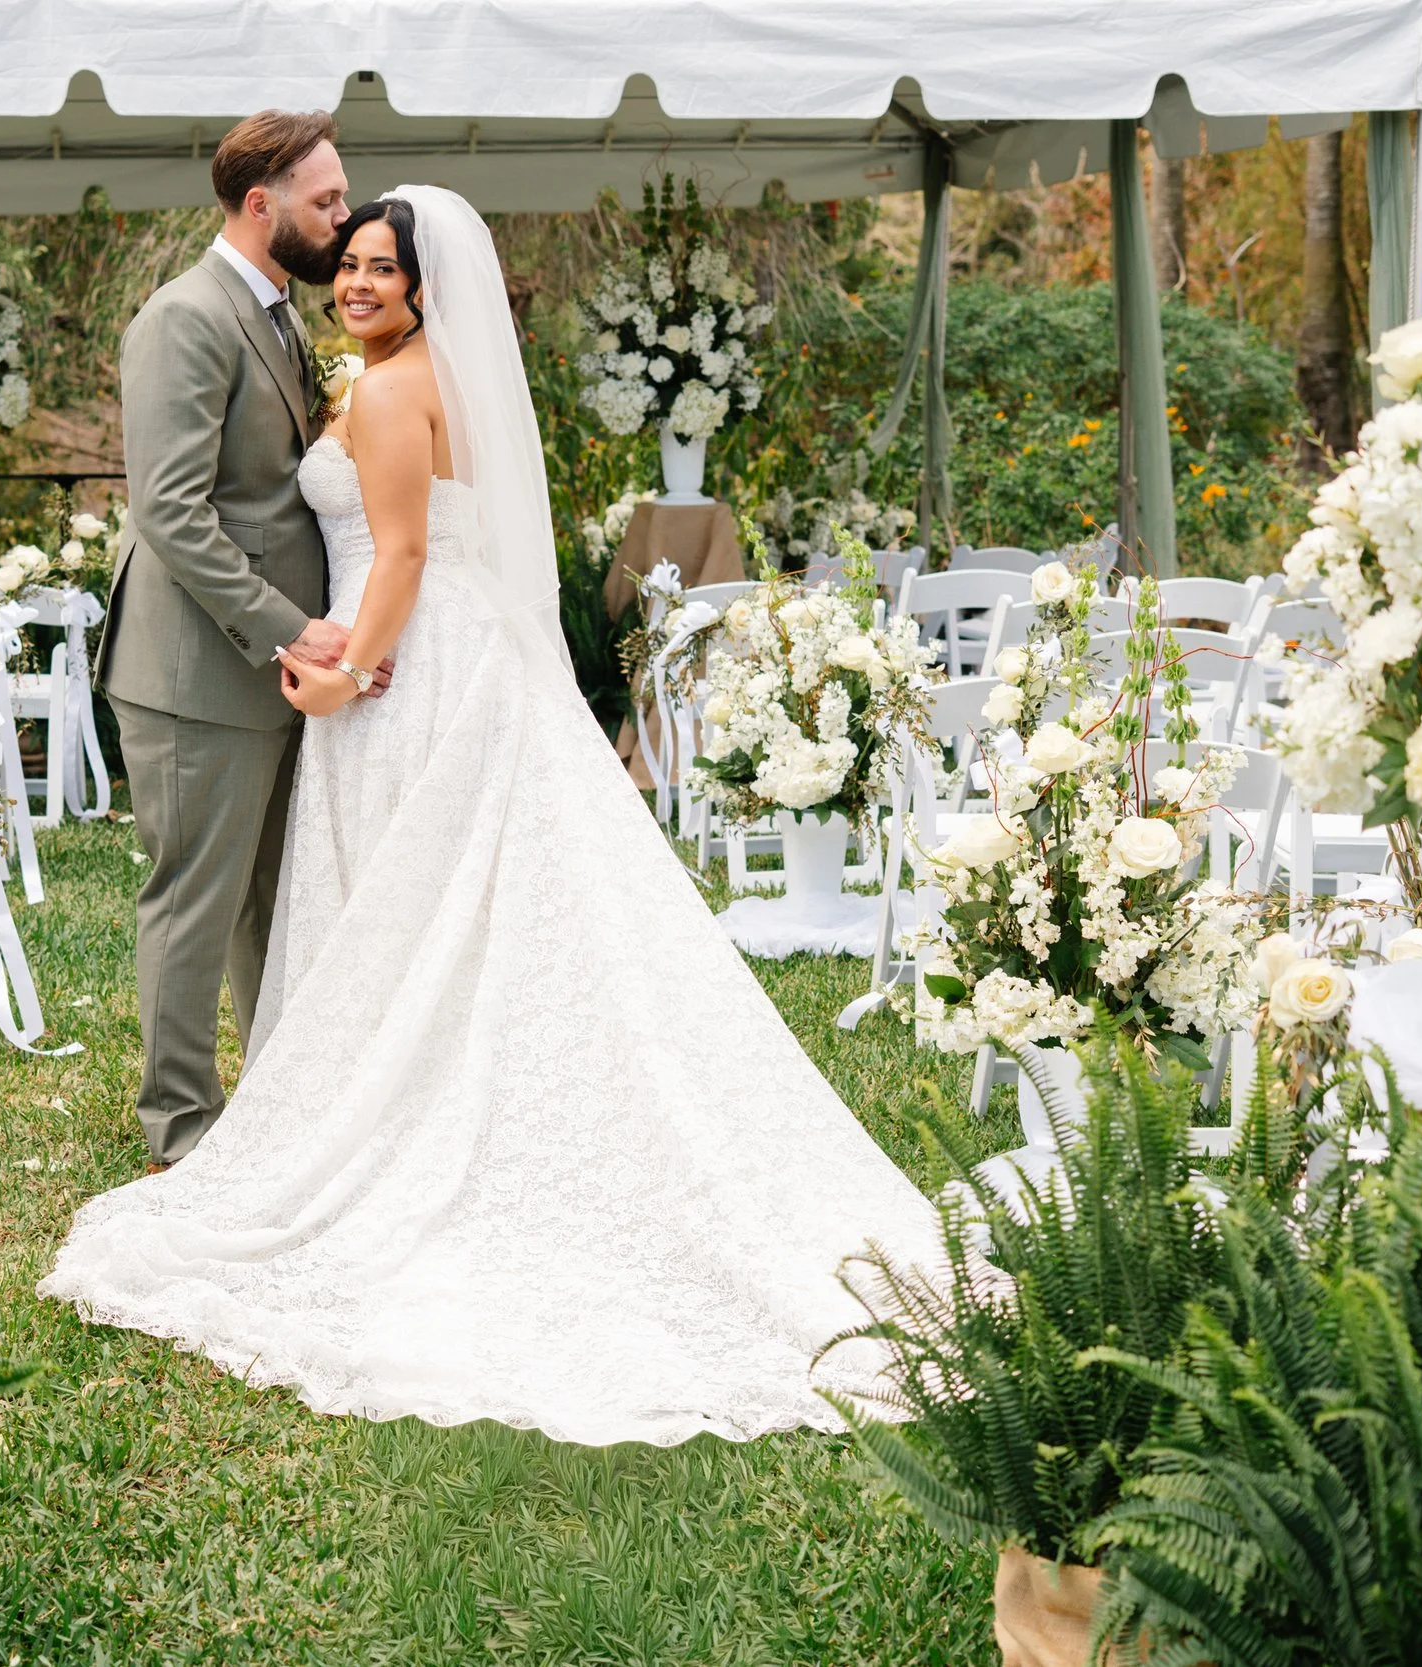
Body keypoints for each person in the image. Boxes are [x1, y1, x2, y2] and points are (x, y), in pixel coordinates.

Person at [48, 187, 945, 1446]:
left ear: (424, 289)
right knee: (433, 906)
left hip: (412, 669)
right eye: (346, 263)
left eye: (378, 269)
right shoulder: (408, 372)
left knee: (417, 899)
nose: (355, 284)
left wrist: (344, 669)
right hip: (429, 652)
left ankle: (401, 1116)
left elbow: (402, 552)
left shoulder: (392, 388)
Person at [95, 110, 386, 1172]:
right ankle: (180, 1127)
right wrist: (293, 628)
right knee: (195, 899)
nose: (341, 218)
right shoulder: (187, 317)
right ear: (260, 206)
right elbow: (172, 515)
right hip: (194, 672)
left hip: (273, 670)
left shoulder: (274, 316)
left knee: (273, 897)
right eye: (324, 201)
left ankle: (274, 1102)